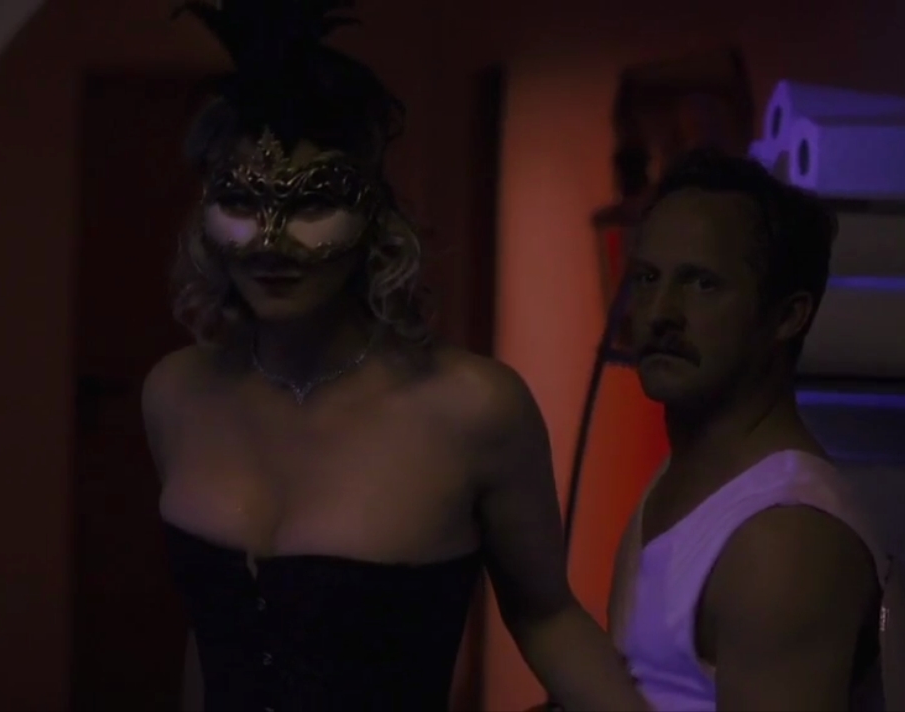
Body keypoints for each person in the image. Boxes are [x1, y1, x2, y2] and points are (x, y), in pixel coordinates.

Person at [142, 2, 647, 710]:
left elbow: (547, 617)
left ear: (376, 215)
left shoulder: (474, 409)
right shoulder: (175, 395)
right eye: (243, 202)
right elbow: (209, 638)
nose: (271, 242)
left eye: (312, 204)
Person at [606, 148, 905, 710]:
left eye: (702, 284)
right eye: (647, 277)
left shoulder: (784, 541)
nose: (660, 311)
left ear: (788, 316)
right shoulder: (683, 475)